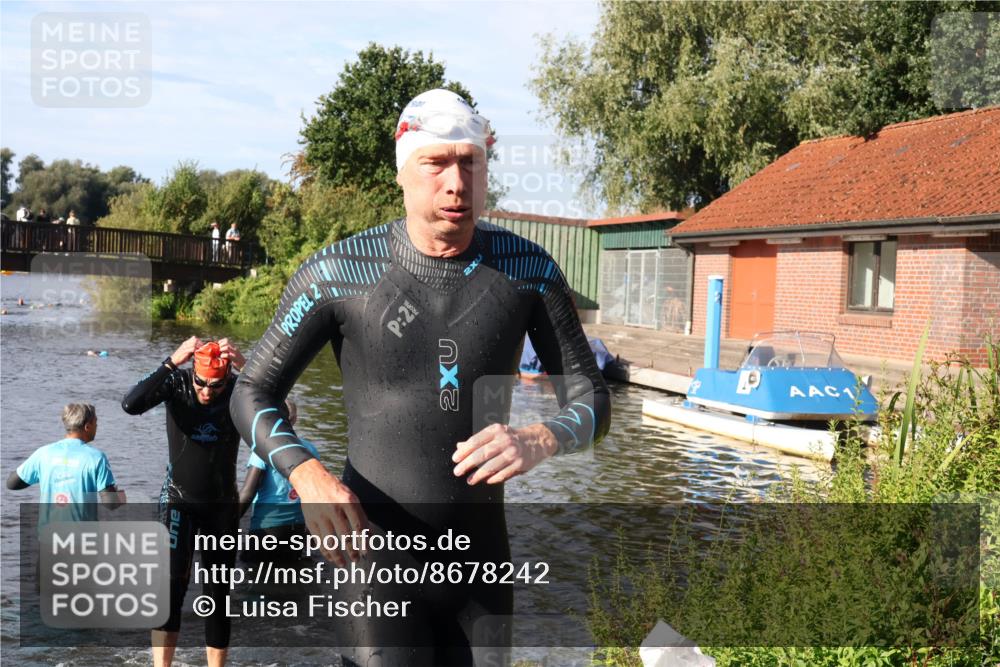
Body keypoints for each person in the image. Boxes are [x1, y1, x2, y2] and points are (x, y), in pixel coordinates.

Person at [230, 88, 611, 666]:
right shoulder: (339, 272)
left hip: (481, 565)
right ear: (403, 173)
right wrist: (304, 472)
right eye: (435, 164)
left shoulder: (528, 270)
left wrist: (540, 438)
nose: (455, 182)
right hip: (372, 562)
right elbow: (252, 390)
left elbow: (592, 398)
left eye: (470, 162)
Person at [122, 337, 246, 667]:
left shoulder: (239, 388)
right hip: (178, 500)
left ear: (227, 377)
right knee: (170, 591)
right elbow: (130, 404)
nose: (207, 391)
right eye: (201, 383)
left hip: (221, 505)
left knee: (218, 595)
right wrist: (172, 360)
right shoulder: (176, 382)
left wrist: (248, 368)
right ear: (192, 372)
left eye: (215, 386)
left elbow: (277, 408)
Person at [6, 403, 125, 525]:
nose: (97, 426)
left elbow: (12, 484)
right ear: (87, 427)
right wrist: (120, 497)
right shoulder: (96, 457)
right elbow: (111, 503)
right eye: (96, 422)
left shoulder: (43, 453)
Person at [238, 398, 319, 563]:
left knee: (253, 574)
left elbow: (248, 493)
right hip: (297, 529)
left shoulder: (262, 449)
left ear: (268, 421)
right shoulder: (310, 449)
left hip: (267, 528)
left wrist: (225, 523)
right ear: (294, 420)